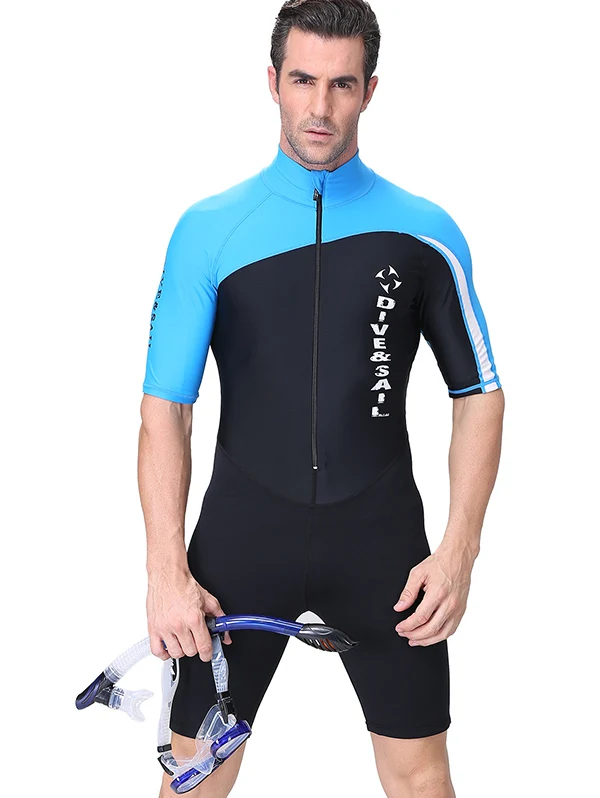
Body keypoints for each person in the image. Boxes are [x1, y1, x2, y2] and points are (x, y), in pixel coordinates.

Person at [138, 1, 505, 795]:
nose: (320, 107)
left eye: (342, 84)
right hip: (239, 547)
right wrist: (165, 568)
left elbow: (479, 391)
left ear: (370, 89)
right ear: (272, 81)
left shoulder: (424, 232)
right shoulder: (208, 229)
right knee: (194, 778)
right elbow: (166, 409)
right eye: (303, 80)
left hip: (383, 549)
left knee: (422, 779)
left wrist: (459, 552)